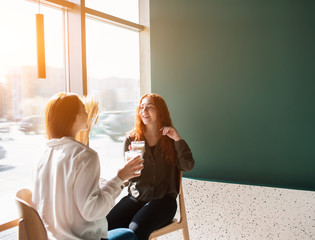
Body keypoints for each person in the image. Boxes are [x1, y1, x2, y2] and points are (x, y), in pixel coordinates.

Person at [32, 92, 143, 240]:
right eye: (83, 109)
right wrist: (119, 178)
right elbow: (92, 211)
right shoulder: (85, 155)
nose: (87, 113)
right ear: (74, 117)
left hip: (52, 237)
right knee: (129, 235)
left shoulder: (43, 153)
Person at [106, 93, 195, 240]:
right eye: (141, 107)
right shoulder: (132, 139)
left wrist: (177, 139)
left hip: (163, 201)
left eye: (150, 107)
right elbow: (129, 175)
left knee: (135, 231)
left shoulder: (170, 139)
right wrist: (130, 168)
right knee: (104, 227)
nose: (144, 111)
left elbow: (188, 165)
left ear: (160, 111)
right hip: (136, 197)